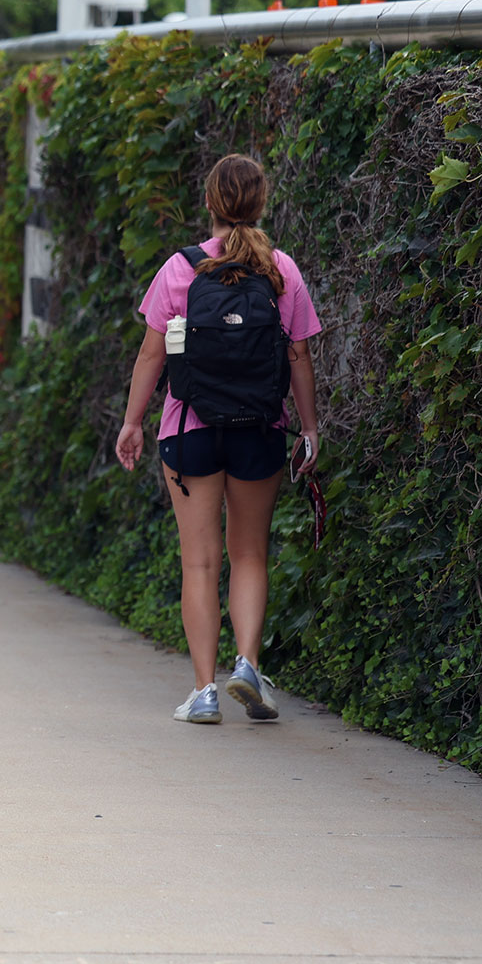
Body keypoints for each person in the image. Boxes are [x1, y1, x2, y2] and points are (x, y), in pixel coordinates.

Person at [114, 154, 321, 725]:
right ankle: (248, 665)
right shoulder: (282, 271)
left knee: (200, 563)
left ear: (209, 204)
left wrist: (132, 423)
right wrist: (308, 427)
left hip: (190, 432)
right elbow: (299, 355)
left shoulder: (179, 270)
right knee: (250, 553)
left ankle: (204, 692)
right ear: (259, 204)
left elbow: (152, 354)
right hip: (260, 431)